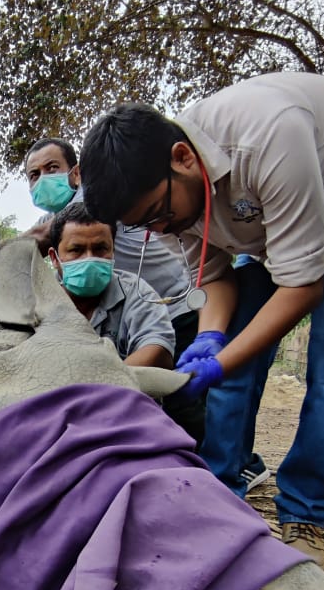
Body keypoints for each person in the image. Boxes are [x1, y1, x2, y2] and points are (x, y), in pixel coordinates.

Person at [79, 72, 324, 576]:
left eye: (157, 215)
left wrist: (220, 363)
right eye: (146, 225)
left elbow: (303, 287)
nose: (160, 229)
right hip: (271, 231)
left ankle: (305, 516)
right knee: (232, 356)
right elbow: (216, 280)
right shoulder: (171, 203)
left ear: (184, 158)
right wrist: (214, 337)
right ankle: (217, 494)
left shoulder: (267, 133)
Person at [25, 136, 206, 439]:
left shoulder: (100, 198)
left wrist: (88, 385)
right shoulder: (39, 301)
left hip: (173, 304)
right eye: (34, 174)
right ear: (55, 258)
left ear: (77, 173)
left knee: (183, 405)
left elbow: (157, 350)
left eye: (52, 168)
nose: (43, 179)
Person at [47, 201, 174, 368]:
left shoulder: (137, 292)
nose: (89, 259)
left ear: (113, 250)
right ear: (54, 258)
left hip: (123, 393)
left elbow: (158, 351)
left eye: (100, 248)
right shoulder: (34, 302)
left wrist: (98, 387)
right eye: (76, 250)